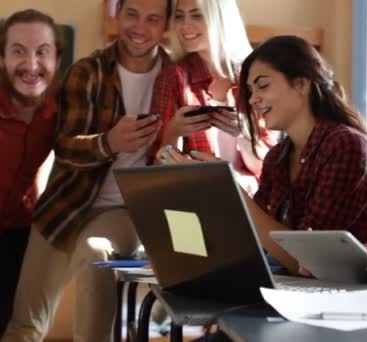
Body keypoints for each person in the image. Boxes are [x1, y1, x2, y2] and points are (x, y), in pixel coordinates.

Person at [1, 0, 172, 340]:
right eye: (131, 14)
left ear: (166, 25)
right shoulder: (88, 71)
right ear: (117, 14)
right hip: (65, 203)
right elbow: (65, 145)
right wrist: (109, 142)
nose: (139, 27)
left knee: (97, 258)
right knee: (24, 323)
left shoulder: (175, 77)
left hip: (123, 209)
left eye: (153, 19)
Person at [160, 35, 367, 274]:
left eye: (263, 86)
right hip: (294, 289)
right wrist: (206, 190)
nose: (253, 99)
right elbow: (249, 240)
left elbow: (310, 264)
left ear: (301, 84)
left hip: (342, 295)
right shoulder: (277, 157)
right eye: (250, 91)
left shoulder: (345, 145)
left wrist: (229, 186)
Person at [152, 0, 271, 194]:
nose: (185, 25)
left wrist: (244, 135)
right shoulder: (172, 77)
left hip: (252, 199)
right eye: (179, 16)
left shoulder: (255, 77)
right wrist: (173, 133)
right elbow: (158, 171)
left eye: (197, 15)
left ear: (221, 18)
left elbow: (270, 170)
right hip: (198, 196)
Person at [0, 9, 62, 336]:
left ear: (57, 59)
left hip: (19, 232)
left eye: (42, 52)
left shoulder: (58, 111)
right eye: (18, 51)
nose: (31, 65)